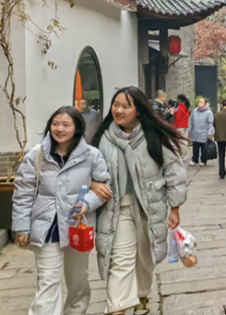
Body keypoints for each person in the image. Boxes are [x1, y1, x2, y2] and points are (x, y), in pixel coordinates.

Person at [91, 86, 187, 315]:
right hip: (116, 208)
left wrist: (174, 207)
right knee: (120, 259)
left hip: (148, 207)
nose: (119, 110)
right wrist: (94, 184)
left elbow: (174, 170)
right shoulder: (103, 137)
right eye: (116, 105)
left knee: (145, 257)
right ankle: (117, 307)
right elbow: (88, 167)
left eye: (126, 106)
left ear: (138, 110)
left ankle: (142, 295)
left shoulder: (153, 135)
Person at [12, 106, 111, 315]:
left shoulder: (91, 156)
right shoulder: (36, 156)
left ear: (76, 128)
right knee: (48, 281)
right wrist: (22, 227)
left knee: (78, 281)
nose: (59, 129)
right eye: (55, 124)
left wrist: (86, 204)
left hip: (78, 227)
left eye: (66, 125)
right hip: (46, 228)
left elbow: (104, 188)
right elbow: (23, 195)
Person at [188, 98, 214, 166]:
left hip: (204, 133)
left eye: (201, 102)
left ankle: (203, 160)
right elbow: (191, 120)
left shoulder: (209, 112)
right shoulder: (195, 111)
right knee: (195, 147)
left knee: (203, 148)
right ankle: (194, 159)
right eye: (199, 102)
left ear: (205, 103)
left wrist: (210, 133)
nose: (200, 103)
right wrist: (189, 130)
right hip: (195, 133)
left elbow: (210, 123)